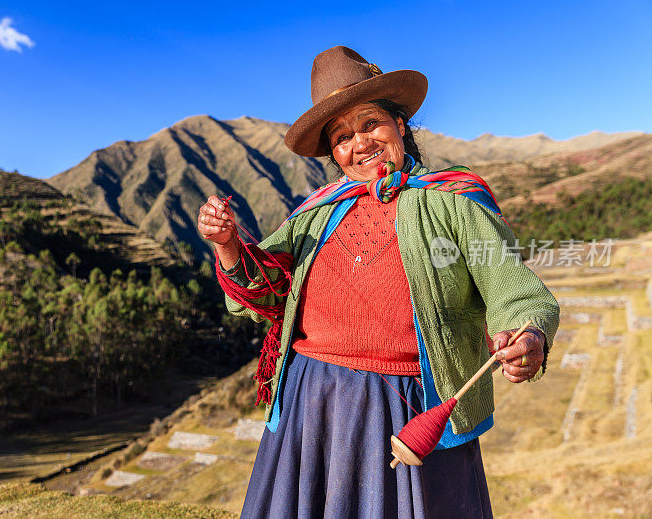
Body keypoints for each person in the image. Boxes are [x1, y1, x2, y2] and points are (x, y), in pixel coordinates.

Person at [197, 45, 559, 518]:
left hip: (409, 404)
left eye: (370, 124)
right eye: (342, 136)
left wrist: (528, 332)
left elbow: (515, 289)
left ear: (400, 125)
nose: (359, 143)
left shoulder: (454, 201)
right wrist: (227, 245)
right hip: (314, 402)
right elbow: (265, 293)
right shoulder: (317, 213)